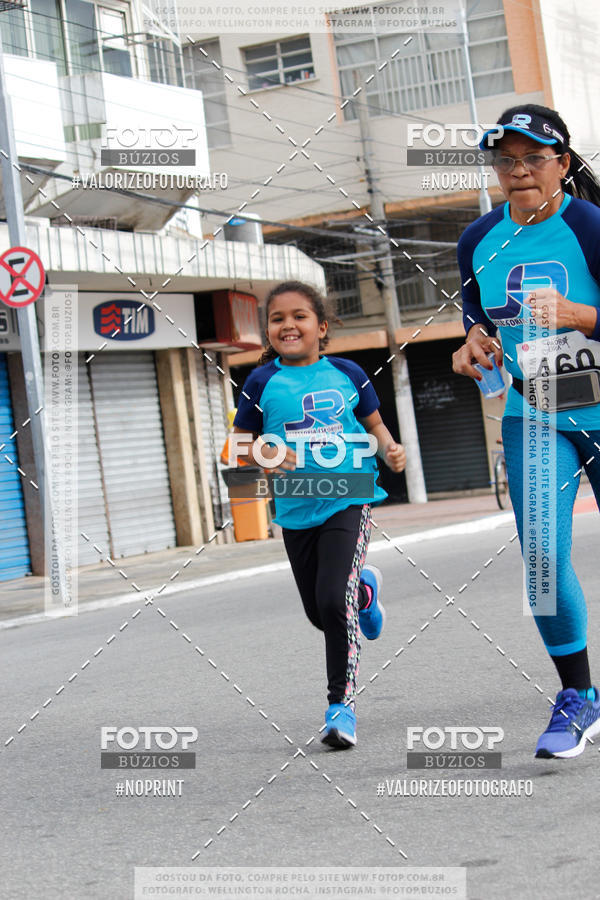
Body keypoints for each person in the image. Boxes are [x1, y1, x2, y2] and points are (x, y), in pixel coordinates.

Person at [452, 104, 600, 759]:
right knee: (541, 559)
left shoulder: (592, 227)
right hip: (536, 411)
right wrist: (472, 347)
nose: (518, 171)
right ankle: (580, 697)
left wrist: (582, 315)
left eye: (533, 157)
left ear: (562, 165)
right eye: (505, 159)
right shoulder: (477, 241)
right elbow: (479, 320)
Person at [232, 280, 406, 749]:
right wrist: (265, 451)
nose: (288, 324)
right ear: (268, 332)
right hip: (295, 507)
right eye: (277, 318)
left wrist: (390, 449)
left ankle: (340, 707)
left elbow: (373, 423)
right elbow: (239, 445)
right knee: (321, 613)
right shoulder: (259, 383)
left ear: (321, 326)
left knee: (333, 601)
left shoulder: (348, 372)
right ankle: (365, 593)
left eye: (299, 316)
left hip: (350, 495)